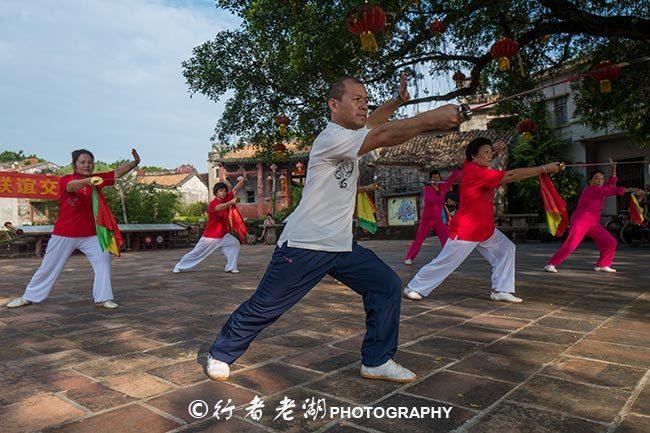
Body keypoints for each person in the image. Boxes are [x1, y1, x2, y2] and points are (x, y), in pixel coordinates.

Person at [204, 73, 463, 383]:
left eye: (366, 101)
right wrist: (431, 119)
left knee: (386, 285)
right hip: (305, 244)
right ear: (333, 105)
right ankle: (220, 352)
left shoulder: (353, 134)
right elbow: (383, 135)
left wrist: (397, 101)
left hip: (341, 246)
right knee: (266, 307)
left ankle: (377, 360)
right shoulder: (332, 137)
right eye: (357, 100)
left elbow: (376, 125)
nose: (364, 106)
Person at [403, 137, 562, 304]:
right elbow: (511, 175)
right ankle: (414, 287)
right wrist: (543, 169)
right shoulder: (477, 172)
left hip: (484, 228)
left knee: (506, 249)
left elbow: (479, 154)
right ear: (474, 156)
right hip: (467, 229)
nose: (490, 156)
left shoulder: (469, 165)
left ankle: (501, 290)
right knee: (446, 261)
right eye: (485, 153)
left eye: (490, 152)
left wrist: (493, 148)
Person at [6, 148, 141, 309]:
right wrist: (88, 182)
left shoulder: (96, 179)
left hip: (91, 234)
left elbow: (117, 173)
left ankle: (103, 298)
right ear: (74, 164)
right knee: (49, 266)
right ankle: (29, 297)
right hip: (65, 233)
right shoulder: (67, 179)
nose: (87, 165)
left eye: (90, 162)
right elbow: (71, 186)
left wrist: (134, 163)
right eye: (82, 162)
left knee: (103, 260)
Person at [544, 160, 644, 273]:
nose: (599, 181)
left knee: (610, 242)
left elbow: (611, 185)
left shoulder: (601, 189)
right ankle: (551, 264)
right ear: (590, 181)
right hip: (581, 221)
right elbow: (612, 189)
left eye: (601, 179)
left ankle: (602, 264)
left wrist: (614, 170)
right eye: (596, 178)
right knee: (571, 244)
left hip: (593, 223)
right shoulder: (591, 189)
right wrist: (633, 189)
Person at [173, 177, 247, 274]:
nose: (223, 193)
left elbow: (236, 189)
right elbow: (219, 208)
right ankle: (179, 266)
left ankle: (231, 267)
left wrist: (244, 180)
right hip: (210, 237)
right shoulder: (213, 204)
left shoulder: (227, 197)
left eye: (224, 191)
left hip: (223, 234)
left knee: (234, 243)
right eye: (220, 191)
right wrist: (231, 202)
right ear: (216, 193)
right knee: (196, 253)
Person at [404, 168, 460, 264]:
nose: (436, 179)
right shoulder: (428, 189)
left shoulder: (442, 187)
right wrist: (446, 201)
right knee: (419, 238)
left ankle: (447, 256)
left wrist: (457, 171)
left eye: (438, 177)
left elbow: (450, 181)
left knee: (446, 237)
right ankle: (409, 257)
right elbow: (434, 199)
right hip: (427, 219)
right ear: (430, 179)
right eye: (434, 177)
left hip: (437, 219)